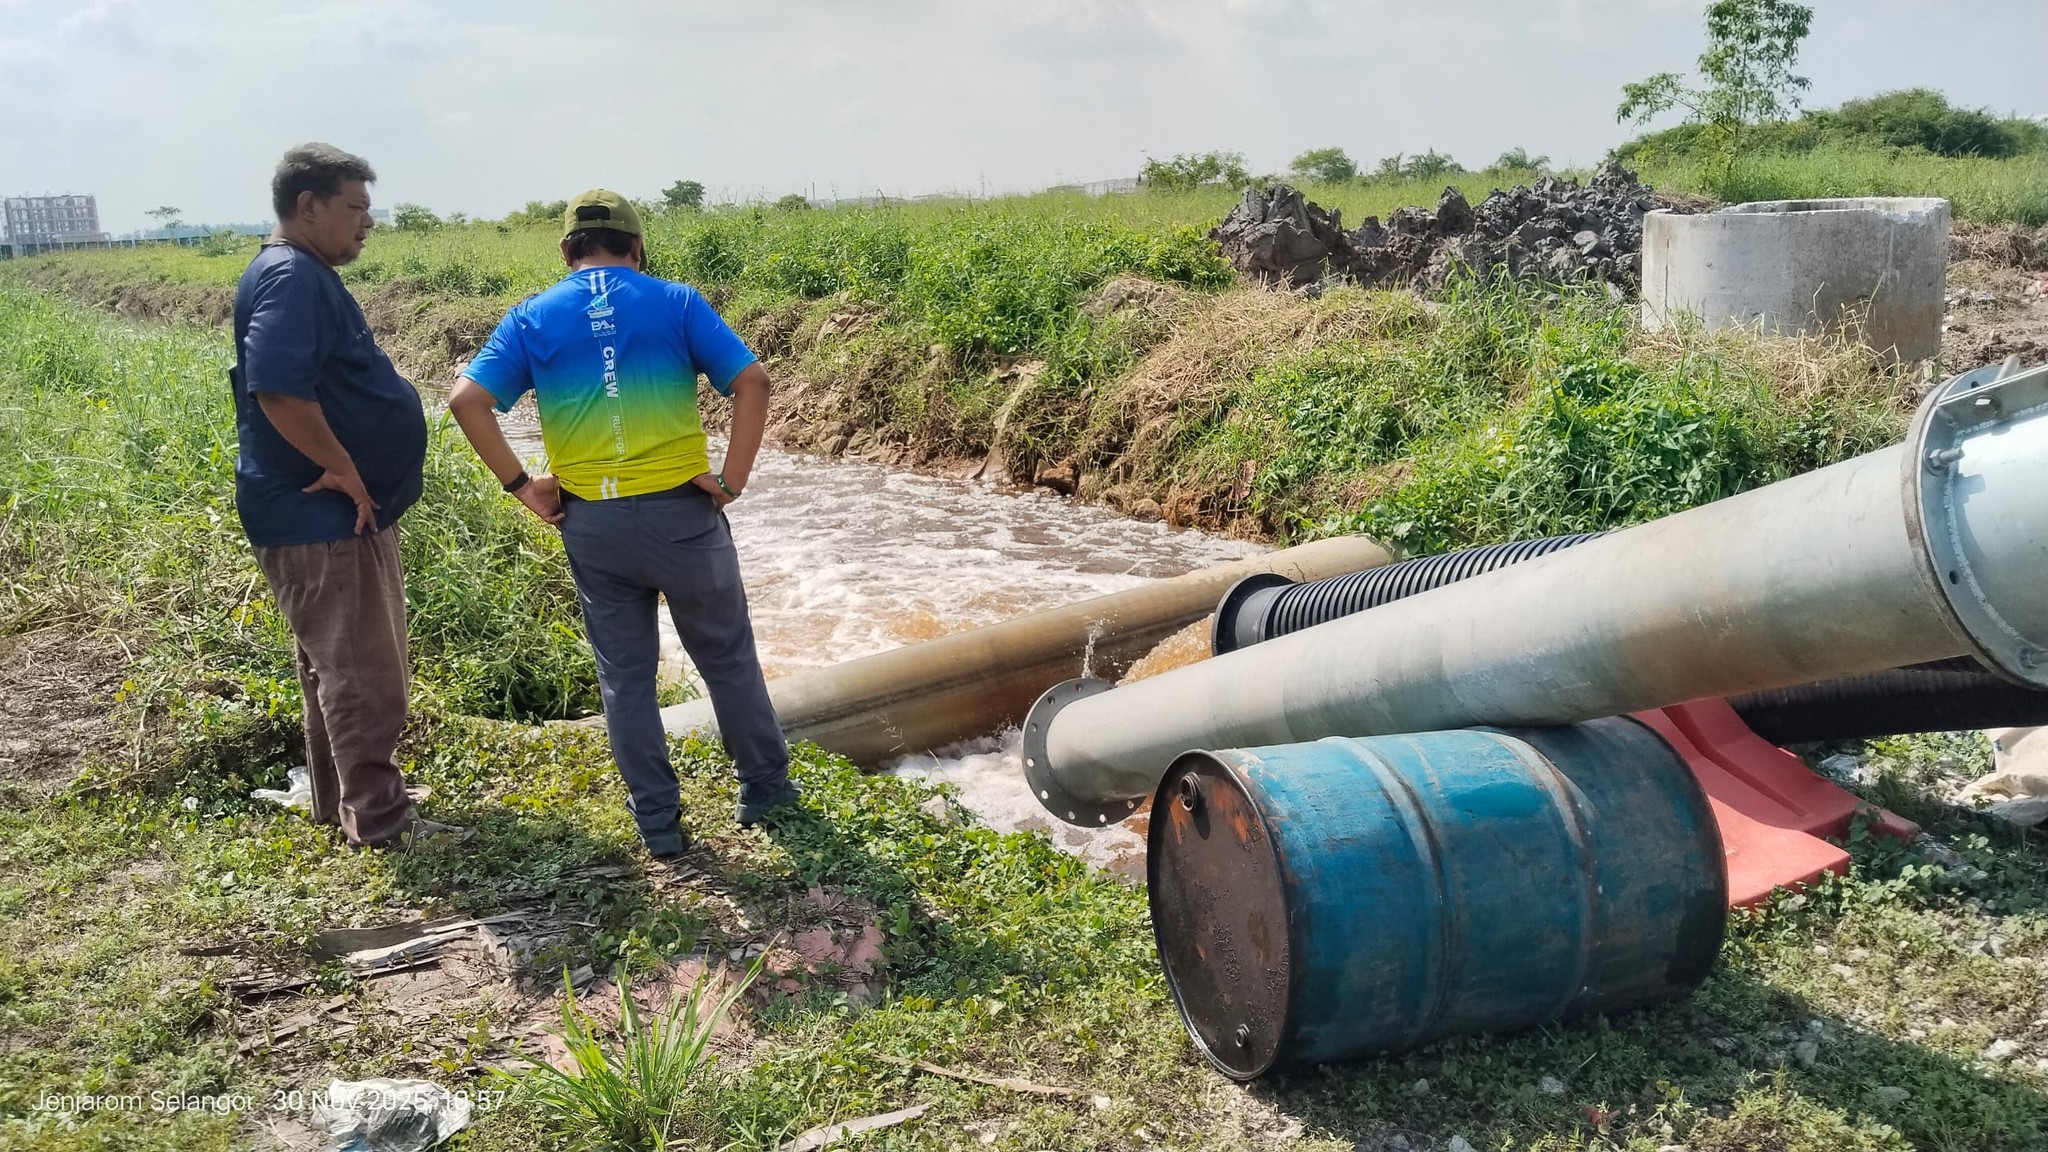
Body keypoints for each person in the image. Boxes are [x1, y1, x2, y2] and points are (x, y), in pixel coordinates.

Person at [448, 190, 796, 857]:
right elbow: (753, 382)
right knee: (726, 657)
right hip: (685, 519)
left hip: (593, 523)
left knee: (626, 676)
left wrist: (523, 485)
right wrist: (732, 481)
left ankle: (659, 824)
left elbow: (468, 400)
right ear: (637, 249)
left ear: (565, 251)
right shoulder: (677, 303)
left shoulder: (530, 319)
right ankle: (765, 790)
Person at [231, 143, 465, 849]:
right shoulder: (291, 278)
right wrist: (344, 468)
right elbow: (276, 387)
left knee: (335, 667)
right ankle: (384, 823)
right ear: (309, 207)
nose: (367, 222)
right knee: (365, 674)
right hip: (320, 511)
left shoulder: (296, 273)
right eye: (355, 207)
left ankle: (343, 804)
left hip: (319, 512)